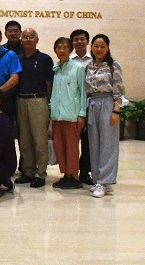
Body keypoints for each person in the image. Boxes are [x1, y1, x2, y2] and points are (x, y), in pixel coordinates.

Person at [85, 34, 124, 198]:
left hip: (107, 104)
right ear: (91, 47)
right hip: (92, 104)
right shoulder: (88, 66)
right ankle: (98, 180)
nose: (99, 49)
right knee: (94, 144)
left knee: (108, 144)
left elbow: (119, 90)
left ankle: (105, 181)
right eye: (96, 46)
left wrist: (116, 111)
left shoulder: (113, 65)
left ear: (107, 48)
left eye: (102, 46)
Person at [14, 28, 54, 188]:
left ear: (37, 40)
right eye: (25, 37)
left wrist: (48, 103)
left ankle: (40, 173)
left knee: (40, 139)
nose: (28, 39)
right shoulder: (17, 59)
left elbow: (49, 83)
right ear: (21, 40)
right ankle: (28, 171)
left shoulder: (45, 59)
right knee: (24, 140)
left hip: (38, 101)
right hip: (20, 101)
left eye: (31, 37)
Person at [50, 37, 86, 189]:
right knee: (60, 146)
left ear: (70, 50)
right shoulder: (56, 68)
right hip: (57, 115)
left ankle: (74, 176)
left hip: (72, 115)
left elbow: (83, 92)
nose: (62, 50)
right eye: (59, 47)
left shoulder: (77, 68)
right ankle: (65, 174)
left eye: (65, 47)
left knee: (71, 147)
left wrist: (82, 114)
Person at [70, 29, 93, 186]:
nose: (79, 42)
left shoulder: (94, 60)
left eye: (82, 39)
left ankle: (85, 172)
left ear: (87, 41)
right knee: (71, 140)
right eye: (76, 39)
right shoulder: (68, 60)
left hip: (90, 103)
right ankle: (71, 171)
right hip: (72, 104)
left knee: (87, 141)